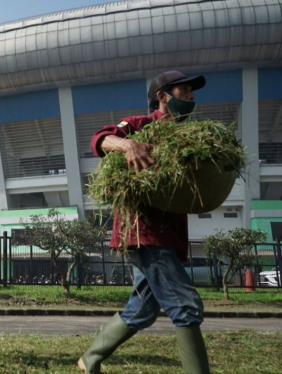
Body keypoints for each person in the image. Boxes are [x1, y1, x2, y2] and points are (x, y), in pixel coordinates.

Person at [79, 71, 210, 373]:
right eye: (184, 90)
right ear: (163, 96)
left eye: (192, 91)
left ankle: (91, 358)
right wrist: (128, 145)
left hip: (171, 234)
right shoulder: (140, 125)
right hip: (144, 232)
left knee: (143, 308)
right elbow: (99, 138)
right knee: (185, 305)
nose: (191, 96)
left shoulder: (185, 139)